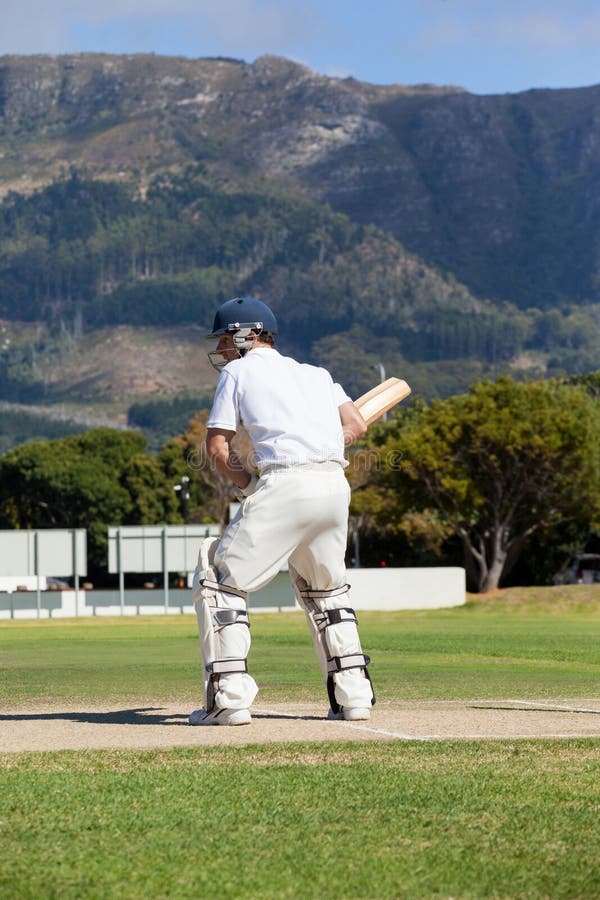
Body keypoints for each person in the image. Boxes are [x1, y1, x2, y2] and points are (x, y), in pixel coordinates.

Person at [189, 296, 375, 726]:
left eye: (224, 339)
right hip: (333, 485)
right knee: (327, 591)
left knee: (218, 579)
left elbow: (217, 448)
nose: (221, 349)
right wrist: (324, 443)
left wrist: (248, 485)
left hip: (284, 484)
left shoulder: (238, 372)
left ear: (246, 334)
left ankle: (228, 699)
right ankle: (353, 697)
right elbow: (356, 425)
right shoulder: (317, 374)